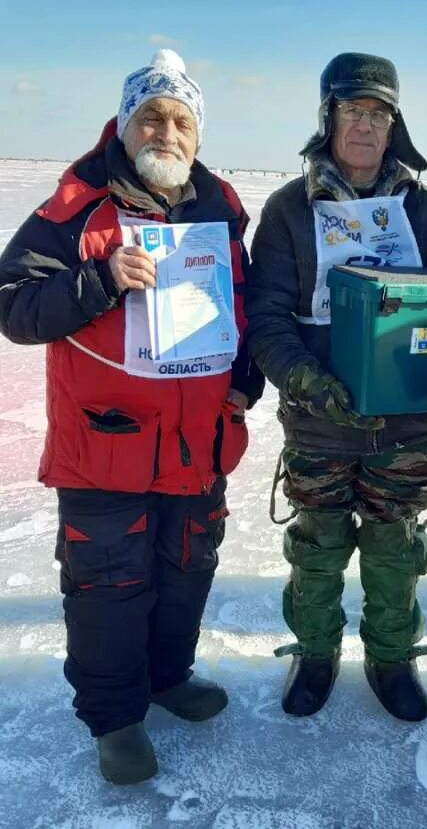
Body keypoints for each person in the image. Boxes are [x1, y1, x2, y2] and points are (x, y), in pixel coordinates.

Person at [0, 50, 264, 783]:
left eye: (182, 120)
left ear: (199, 134)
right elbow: (14, 305)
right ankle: (115, 717)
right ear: (125, 122)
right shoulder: (76, 205)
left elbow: (242, 306)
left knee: (187, 570)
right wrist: (99, 281)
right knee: (108, 583)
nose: (167, 132)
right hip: (104, 442)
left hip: (198, 443)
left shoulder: (220, 207)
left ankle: (166, 676)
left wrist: (246, 376)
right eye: (152, 116)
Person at [246, 52, 427, 722]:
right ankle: (315, 655)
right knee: (317, 549)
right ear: (328, 116)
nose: (365, 125)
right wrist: (307, 379)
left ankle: (390, 658)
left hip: (406, 425)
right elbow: (266, 317)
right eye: (352, 110)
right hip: (319, 422)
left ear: (393, 124)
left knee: (395, 552)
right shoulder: (288, 209)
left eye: (378, 112)